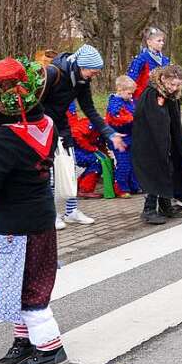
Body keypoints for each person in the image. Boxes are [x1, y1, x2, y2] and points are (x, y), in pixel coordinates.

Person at [0, 57, 67, 364]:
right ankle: (25, 342)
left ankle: (51, 348)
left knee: (28, 288)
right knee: (22, 283)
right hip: (41, 216)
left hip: (15, 224)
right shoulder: (47, 123)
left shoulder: (0, 139)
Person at [41, 44, 126, 228]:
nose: (93, 76)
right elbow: (36, 102)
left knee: (69, 169)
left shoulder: (81, 80)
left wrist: (109, 133)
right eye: (92, 72)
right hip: (44, 127)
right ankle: (51, 214)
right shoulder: (53, 73)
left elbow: (89, 110)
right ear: (81, 65)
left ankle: (71, 211)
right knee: (52, 174)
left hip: (62, 127)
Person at [132, 64, 182, 225]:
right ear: (163, 79)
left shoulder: (170, 96)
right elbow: (153, 121)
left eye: (177, 85)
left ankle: (165, 205)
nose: (173, 88)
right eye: (171, 84)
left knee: (170, 169)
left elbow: (173, 121)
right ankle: (149, 209)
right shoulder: (152, 94)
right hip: (150, 142)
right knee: (156, 172)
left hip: (167, 140)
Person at [106, 75, 142, 197]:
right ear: (120, 90)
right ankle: (121, 188)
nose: (131, 96)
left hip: (130, 137)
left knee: (133, 163)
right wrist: (133, 119)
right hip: (118, 139)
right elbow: (116, 117)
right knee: (123, 163)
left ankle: (134, 185)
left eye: (132, 93)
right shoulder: (114, 103)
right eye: (129, 93)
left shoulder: (130, 102)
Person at [126, 27, 170, 98]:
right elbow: (131, 79)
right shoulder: (141, 59)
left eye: (162, 40)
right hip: (143, 97)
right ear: (149, 42)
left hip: (162, 97)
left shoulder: (165, 60)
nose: (162, 43)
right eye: (159, 41)